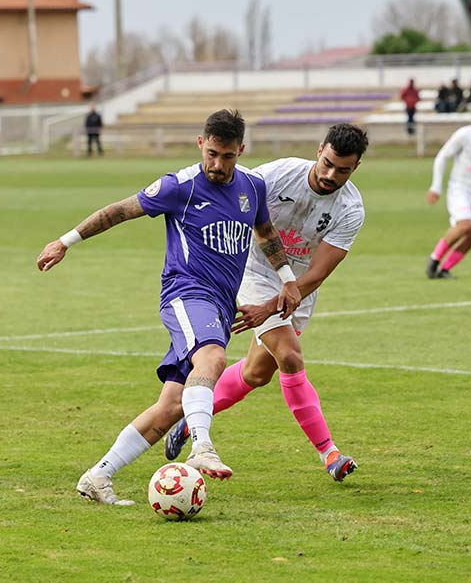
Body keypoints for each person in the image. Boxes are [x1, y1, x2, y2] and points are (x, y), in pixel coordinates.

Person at [36, 109, 301, 504]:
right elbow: (119, 211)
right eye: (211, 153)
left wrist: (287, 278)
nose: (217, 164)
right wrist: (65, 241)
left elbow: (266, 233)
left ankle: (98, 476)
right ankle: (202, 447)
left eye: (227, 156)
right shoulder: (181, 186)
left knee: (172, 406)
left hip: (220, 305)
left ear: (240, 150)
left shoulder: (252, 187)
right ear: (200, 143)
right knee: (212, 359)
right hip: (186, 293)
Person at [164, 123, 368, 483]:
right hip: (252, 271)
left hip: (298, 285)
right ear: (319, 149)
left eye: (343, 170)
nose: (331, 175)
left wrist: (273, 305)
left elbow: (317, 273)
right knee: (289, 355)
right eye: (327, 163)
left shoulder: (350, 208)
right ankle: (329, 453)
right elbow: (229, 193)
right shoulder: (277, 175)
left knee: (257, 373)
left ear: (356, 167)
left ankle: (190, 414)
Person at [425, 101, 471, 279]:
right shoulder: (464, 135)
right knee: (464, 224)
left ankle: (445, 269)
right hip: (460, 189)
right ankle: (434, 260)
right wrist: (436, 186)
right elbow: (442, 157)